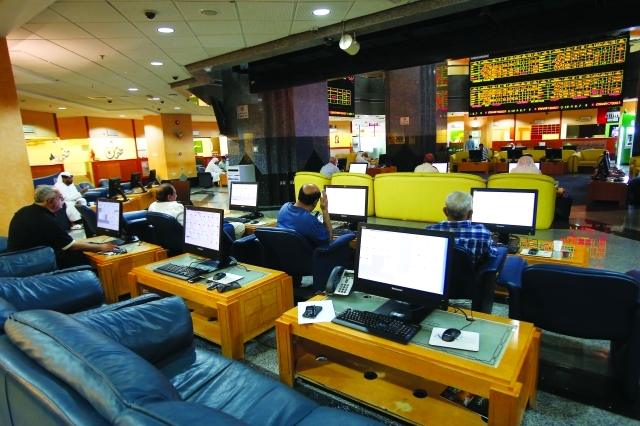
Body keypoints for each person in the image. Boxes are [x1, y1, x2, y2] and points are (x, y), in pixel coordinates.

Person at [7, 186, 119, 269]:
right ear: (50, 201)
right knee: (77, 255)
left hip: (17, 256)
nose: (63, 200)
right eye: (60, 198)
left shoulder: (25, 211)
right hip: (30, 260)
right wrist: (100, 247)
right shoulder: (45, 219)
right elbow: (70, 246)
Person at [148, 183, 245, 238]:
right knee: (239, 226)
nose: (176, 196)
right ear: (169, 197)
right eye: (175, 194)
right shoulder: (175, 206)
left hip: (169, 240)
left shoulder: (152, 206)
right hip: (198, 238)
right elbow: (191, 226)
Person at [426, 191, 497, 263]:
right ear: (470, 214)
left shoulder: (429, 232)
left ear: (445, 211)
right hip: (469, 270)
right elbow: (492, 255)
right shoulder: (483, 233)